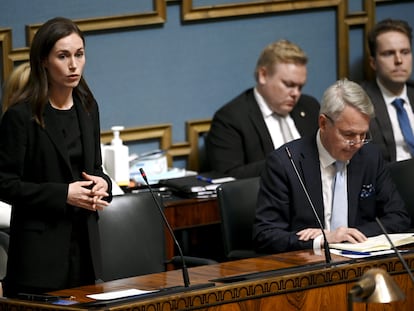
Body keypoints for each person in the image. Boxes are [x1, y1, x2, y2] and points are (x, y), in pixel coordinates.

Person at [0, 17, 112, 297]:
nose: (73, 65)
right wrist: (63, 194)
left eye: (79, 54)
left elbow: (95, 168)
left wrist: (103, 184)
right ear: (44, 61)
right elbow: (4, 184)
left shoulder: (88, 107)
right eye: (63, 56)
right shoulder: (20, 117)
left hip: (86, 250)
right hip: (39, 259)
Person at [254, 79, 410, 254]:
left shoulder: (370, 157)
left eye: (363, 134)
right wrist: (322, 239)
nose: (358, 144)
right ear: (323, 124)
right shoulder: (285, 163)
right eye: (349, 134)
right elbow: (266, 235)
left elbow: (399, 218)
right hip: (308, 265)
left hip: (362, 261)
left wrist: (346, 235)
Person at [205, 40, 320, 179]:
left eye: (300, 87)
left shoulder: (310, 107)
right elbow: (228, 177)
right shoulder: (230, 119)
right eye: (289, 84)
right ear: (263, 75)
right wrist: (286, 163)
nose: (296, 93)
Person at [361, 18, 414, 163]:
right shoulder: (360, 104)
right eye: (389, 53)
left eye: (405, 52)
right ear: (373, 62)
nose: (399, 60)